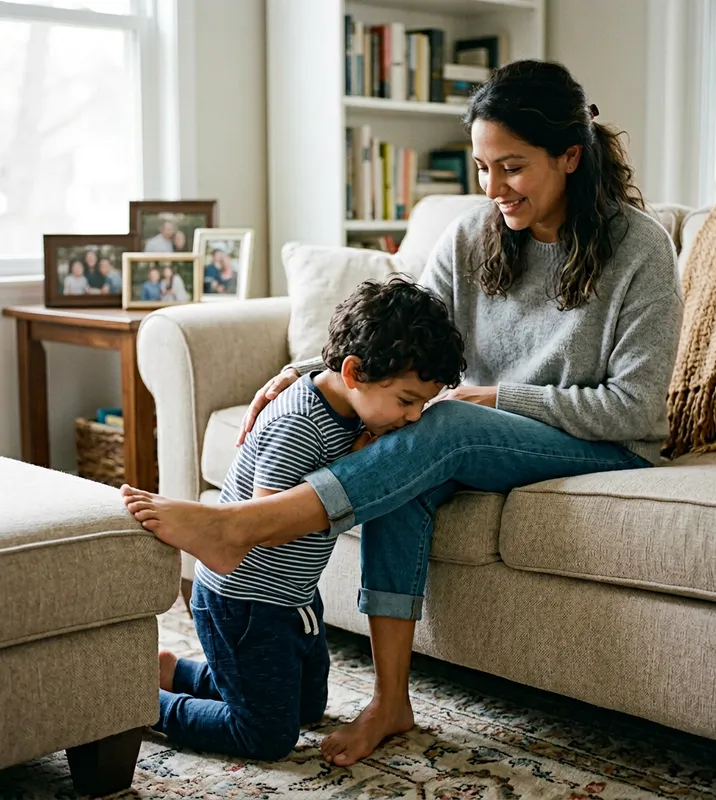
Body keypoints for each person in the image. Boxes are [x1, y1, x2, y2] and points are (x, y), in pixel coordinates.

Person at [121, 59, 684, 766]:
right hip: (480, 436)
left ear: (570, 156)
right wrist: (304, 373)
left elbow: (633, 408)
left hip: (602, 443)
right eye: (482, 167)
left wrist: (495, 395)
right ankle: (391, 700)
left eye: (512, 167)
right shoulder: (474, 236)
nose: (492, 189)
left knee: (438, 424)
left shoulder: (639, 250)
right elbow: (394, 334)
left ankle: (244, 527)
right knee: (408, 461)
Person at [151, 277, 465, 760]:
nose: (415, 417)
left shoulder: (354, 407)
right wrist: (354, 473)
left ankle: (179, 672)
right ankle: (148, 706)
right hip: (245, 603)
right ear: (355, 371)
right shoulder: (300, 423)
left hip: (294, 599)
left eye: (423, 402)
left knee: (306, 707)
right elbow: (266, 523)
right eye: (407, 400)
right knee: (265, 734)